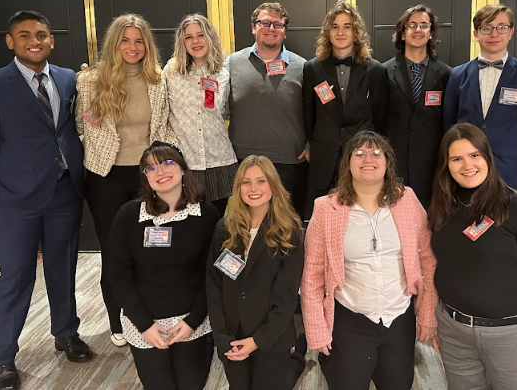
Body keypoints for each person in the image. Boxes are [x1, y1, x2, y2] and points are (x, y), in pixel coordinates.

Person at [0, 10, 93, 390]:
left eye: (41, 34)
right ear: (11, 42)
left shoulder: (70, 79)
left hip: (63, 193)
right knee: (15, 278)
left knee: (62, 269)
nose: (34, 41)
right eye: (24, 35)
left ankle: (65, 333)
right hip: (13, 201)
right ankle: (3, 357)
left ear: (51, 39)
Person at [428, 123, 517, 390]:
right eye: (456, 159)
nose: (467, 165)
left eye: (474, 156)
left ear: (487, 158)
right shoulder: (442, 207)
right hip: (455, 333)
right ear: (446, 165)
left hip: (513, 338)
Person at [301, 130, 438, 390]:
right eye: (359, 153)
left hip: (399, 318)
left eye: (377, 153)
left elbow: (429, 260)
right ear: (347, 163)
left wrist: (428, 313)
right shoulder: (326, 208)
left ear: (388, 162)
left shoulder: (407, 199)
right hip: (351, 320)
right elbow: (312, 275)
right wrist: (316, 328)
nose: (368, 159)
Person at [76, 13, 175, 348]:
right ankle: (116, 319)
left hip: (148, 176)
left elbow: (164, 125)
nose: (133, 48)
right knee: (115, 251)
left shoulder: (158, 79)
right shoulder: (91, 81)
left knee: (153, 245)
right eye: (125, 40)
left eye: (139, 41)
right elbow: (82, 125)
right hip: (106, 176)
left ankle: (149, 314)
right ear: (114, 43)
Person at [107, 141, 218, 390]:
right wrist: (144, 325)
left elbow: (211, 274)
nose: (161, 171)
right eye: (151, 168)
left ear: (182, 169)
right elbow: (118, 275)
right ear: (145, 178)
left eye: (168, 163)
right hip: (145, 323)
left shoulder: (206, 214)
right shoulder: (128, 215)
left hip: (191, 322)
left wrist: (193, 321)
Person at [206, 155, 306, 390]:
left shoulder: (288, 231)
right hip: (232, 336)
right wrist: (222, 337)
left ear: (273, 185)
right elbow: (214, 287)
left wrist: (257, 341)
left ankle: (297, 357)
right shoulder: (225, 229)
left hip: (271, 337)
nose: (253, 189)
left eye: (261, 181)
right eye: (246, 182)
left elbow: (286, 296)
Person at [303, 0, 387, 216]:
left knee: (357, 214)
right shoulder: (312, 68)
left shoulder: (375, 71)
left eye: (347, 27)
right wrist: (312, 145)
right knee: (321, 215)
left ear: (356, 32)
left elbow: (379, 118)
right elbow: (308, 114)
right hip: (324, 157)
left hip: (360, 156)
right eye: (335, 26)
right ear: (327, 32)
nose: (341, 32)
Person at [443, 4, 517, 188]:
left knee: (504, 216)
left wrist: (514, 156)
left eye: (501, 27)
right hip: (466, 168)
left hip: (506, 166)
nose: (494, 34)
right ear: (476, 34)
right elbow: (449, 124)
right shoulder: (457, 75)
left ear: (511, 32)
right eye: (486, 28)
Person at [227, 2, 309, 219]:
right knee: (247, 226)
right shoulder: (231, 64)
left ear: (285, 32)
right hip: (243, 162)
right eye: (264, 22)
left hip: (290, 162)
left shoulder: (303, 67)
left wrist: (312, 145)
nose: (271, 28)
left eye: (277, 24)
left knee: (289, 226)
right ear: (254, 27)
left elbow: (318, 112)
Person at [164, 13, 238, 218]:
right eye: (189, 37)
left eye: (201, 35)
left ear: (210, 37)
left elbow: (224, 110)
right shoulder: (171, 70)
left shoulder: (223, 71)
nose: (195, 41)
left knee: (217, 222)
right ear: (182, 42)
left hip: (219, 159)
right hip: (186, 160)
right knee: (187, 222)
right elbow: (162, 110)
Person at [384, 4, 452, 208]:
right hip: (394, 166)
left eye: (424, 25)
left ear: (431, 33)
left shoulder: (447, 74)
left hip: (431, 167)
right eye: (412, 25)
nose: (418, 30)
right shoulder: (383, 72)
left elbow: (448, 122)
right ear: (403, 33)